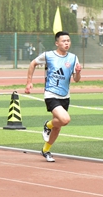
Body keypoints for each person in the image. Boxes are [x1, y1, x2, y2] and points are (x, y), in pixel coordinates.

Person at [25, 31, 82, 162]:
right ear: (57, 43)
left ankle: (46, 150)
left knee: (58, 126)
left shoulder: (73, 58)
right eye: (64, 41)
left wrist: (78, 72)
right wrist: (29, 82)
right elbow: (33, 64)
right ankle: (47, 125)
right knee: (65, 119)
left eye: (68, 41)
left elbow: (76, 79)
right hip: (51, 94)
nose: (66, 43)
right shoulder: (48, 55)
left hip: (65, 96)